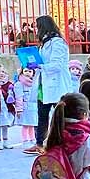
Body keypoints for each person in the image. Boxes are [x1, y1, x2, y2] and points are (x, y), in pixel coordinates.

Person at [32, 15, 72, 153]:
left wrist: (40, 66)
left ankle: (64, 141)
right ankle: (39, 143)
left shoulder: (57, 43)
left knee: (61, 115)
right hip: (44, 83)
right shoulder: (44, 43)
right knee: (42, 114)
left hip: (57, 83)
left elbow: (57, 65)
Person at [14, 65, 40, 147]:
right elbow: (19, 97)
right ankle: (25, 141)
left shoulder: (34, 83)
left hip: (33, 107)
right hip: (25, 107)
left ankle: (32, 139)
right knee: (25, 125)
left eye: (30, 71)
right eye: (25, 71)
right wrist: (19, 109)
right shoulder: (19, 84)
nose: (28, 73)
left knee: (32, 124)